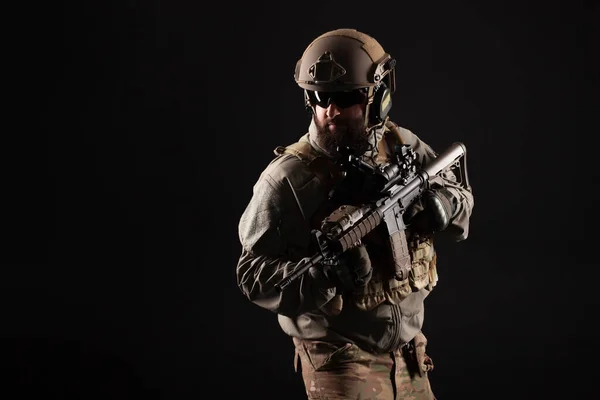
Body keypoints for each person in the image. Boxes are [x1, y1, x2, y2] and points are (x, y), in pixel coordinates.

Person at [236, 28, 474, 400]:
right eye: (320, 97)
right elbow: (252, 276)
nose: (330, 110)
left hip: (410, 351)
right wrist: (321, 276)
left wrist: (440, 207)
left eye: (345, 97)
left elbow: (461, 200)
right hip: (340, 358)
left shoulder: (402, 145)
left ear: (377, 97)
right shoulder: (287, 178)